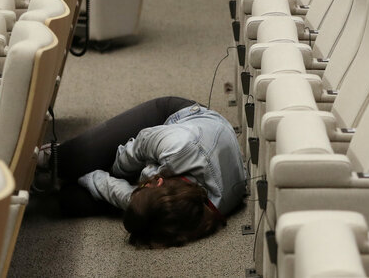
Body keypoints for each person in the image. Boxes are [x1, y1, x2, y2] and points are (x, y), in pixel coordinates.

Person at [41, 96, 247, 247]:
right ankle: (47, 159)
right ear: (157, 183)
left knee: (70, 201)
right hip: (177, 118)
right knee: (65, 161)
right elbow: (139, 147)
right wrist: (111, 169)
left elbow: (121, 194)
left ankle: (60, 176)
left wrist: (90, 176)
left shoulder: (183, 215)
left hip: (173, 168)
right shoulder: (178, 146)